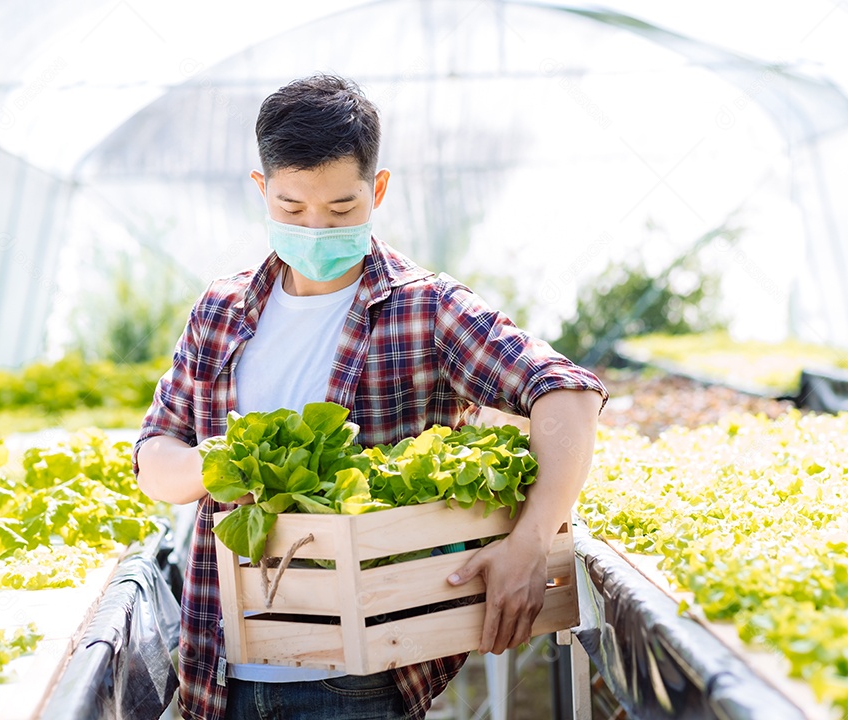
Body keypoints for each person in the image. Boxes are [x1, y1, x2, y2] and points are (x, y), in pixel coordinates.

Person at [134, 74, 607, 720]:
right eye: (293, 209)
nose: (315, 228)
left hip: (357, 680)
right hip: (220, 668)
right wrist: (219, 465)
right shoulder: (220, 311)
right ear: (261, 190)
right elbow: (154, 450)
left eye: (341, 210)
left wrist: (529, 540)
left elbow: (568, 396)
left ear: (377, 190)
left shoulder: (424, 308)